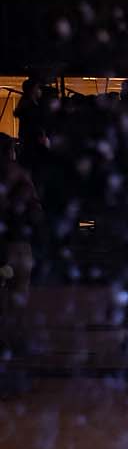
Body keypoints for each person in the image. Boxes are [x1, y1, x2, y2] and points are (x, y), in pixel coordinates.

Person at [0, 136, 43, 391]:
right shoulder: (21, 178)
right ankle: (13, 367)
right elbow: (36, 214)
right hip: (19, 245)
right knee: (16, 305)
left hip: (6, 245)